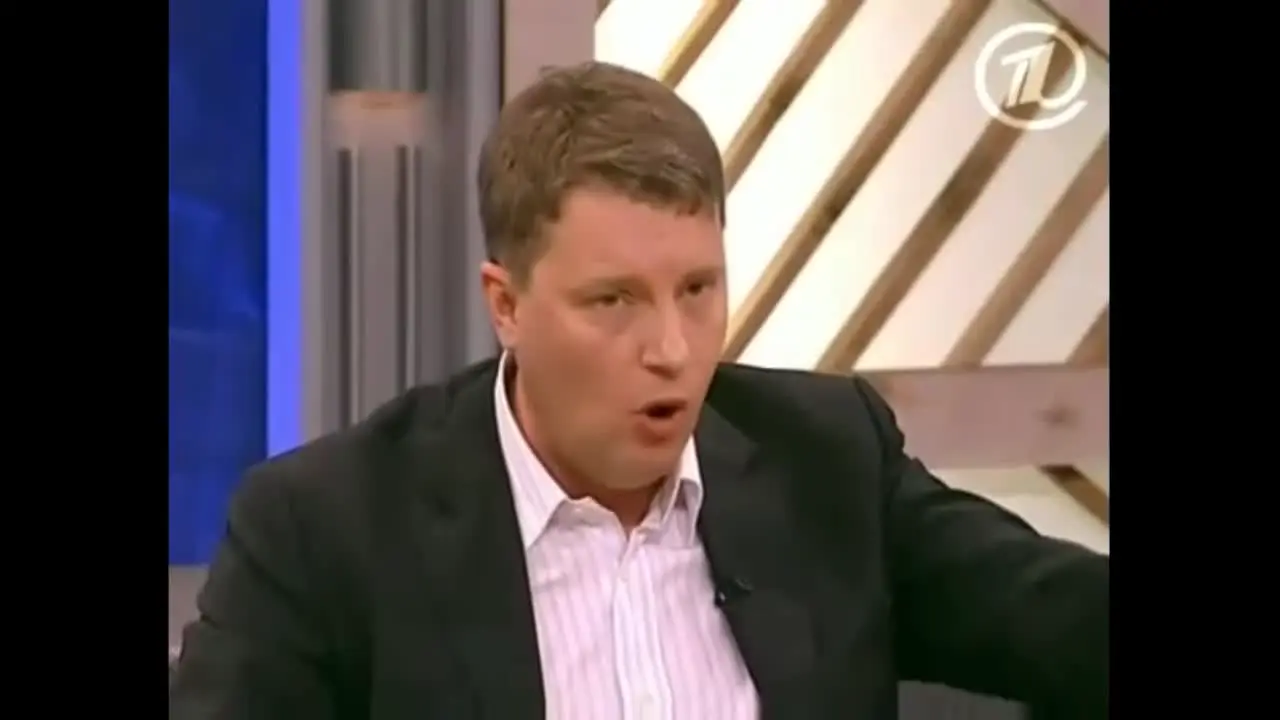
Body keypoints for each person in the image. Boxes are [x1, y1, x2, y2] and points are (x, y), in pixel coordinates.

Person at [170, 61, 1108, 719]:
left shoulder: (826, 461)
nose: (671, 350)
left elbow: (1066, 622)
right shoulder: (328, 530)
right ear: (507, 304)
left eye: (698, 290)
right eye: (613, 300)